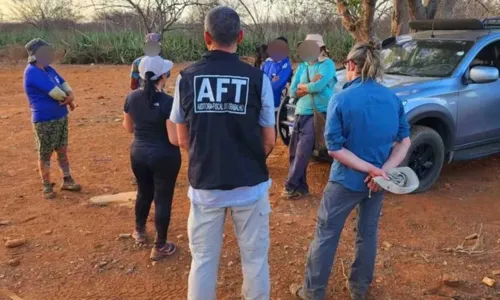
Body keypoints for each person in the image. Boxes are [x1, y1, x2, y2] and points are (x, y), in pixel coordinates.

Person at [290, 43, 411, 300]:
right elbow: (405, 141)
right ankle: (359, 288)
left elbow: (334, 148)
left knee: (327, 233)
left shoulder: (341, 98)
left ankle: (312, 292)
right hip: (378, 183)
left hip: (346, 180)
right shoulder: (392, 98)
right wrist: (382, 172)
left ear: (352, 65)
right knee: (367, 233)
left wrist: (370, 170)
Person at [170, 6, 275, 300]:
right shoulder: (258, 79)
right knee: (255, 260)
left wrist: (208, 156)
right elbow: (269, 140)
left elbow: (181, 137)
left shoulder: (186, 78)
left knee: (203, 261)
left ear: (206, 37)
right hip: (250, 185)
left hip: (206, 186)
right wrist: (247, 159)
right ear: (240, 36)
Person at [122, 55, 181, 261]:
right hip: (164, 156)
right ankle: (160, 245)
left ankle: (139, 231)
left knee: (143, 192)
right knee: (163, 199)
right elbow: (174, 140)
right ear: (164, 76)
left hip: (138, 153)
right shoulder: (168, 102)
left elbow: (128, 128)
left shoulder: (131, 97)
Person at [23, 38, 81, 199]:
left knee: (62, 149)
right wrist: (69, 99)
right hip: (44, 119)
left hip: (60, 116)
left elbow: (63, 83)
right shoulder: (32, 72)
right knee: (45, 153)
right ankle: (47, 185)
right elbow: (56, 92)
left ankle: (67, 179)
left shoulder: (48, 69)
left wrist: (71, 96)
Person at [283, 34, 337, 199]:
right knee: (294, 151)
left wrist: (304, 86)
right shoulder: (302, 66)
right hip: (301, 112)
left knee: (303, 151)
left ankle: (290, 186)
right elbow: (292, 91)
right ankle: (301, 187)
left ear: (320, 48)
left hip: (317, 113)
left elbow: (319, 86)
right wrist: (308, 86)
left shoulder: (327, 64)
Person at [261, 37, 293, 110]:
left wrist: (266, 83)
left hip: (276, 104)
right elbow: (259, 78)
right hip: (262, 101)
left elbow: (276, 85)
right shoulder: (267, 62)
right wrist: (270, 81)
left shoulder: (286, 65)